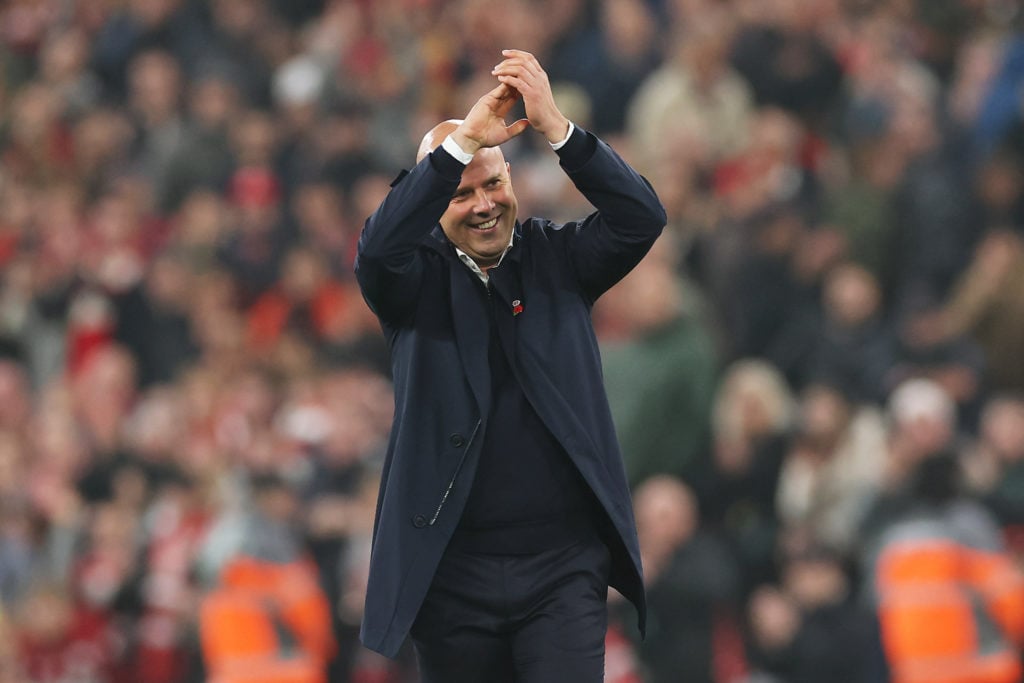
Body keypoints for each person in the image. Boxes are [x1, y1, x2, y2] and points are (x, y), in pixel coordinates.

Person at [354, 49, 666, 681]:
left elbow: (642, 219)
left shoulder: (561, 258)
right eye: (460, 192)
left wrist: (559, 129)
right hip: (451, 572)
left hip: (562, 567)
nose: (483, 204)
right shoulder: (412, 283)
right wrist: (463, 142)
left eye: (493, 183)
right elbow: (377, 252)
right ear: (435, 202)